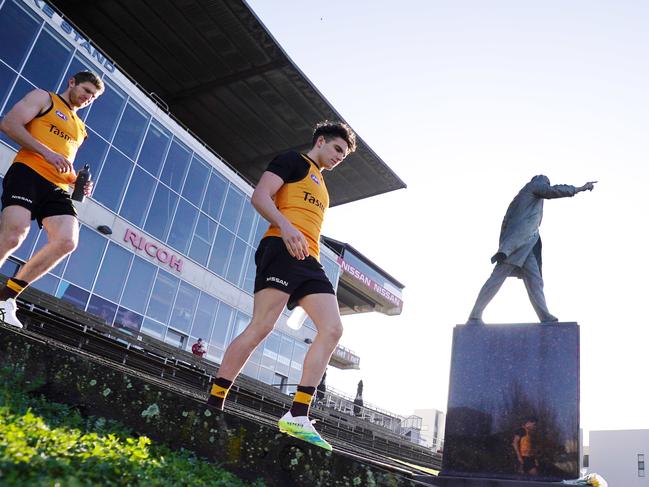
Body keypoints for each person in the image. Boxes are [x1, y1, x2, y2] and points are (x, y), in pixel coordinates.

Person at [206, 121, 356, 450]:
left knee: (332, 329)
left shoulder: (323, 189)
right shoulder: (292, 161)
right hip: (280, 247)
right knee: (261, 327)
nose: (338, 158)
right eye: (337, 150)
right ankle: (215, 401)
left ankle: (298, 415)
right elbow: (260, 197)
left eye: (343, 156)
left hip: (309, 260)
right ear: (321, 140)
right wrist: (286, 227)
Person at [0, 71, 103, 328]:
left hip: (56, 186)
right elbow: (9, 124)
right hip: (27, 173)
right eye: (86, 91)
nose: (88, 98)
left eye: (93, 97)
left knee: (67, 241)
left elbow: (63, 159)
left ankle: (6, 298)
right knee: (14, 234)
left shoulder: (81, 129)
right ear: (72, 83)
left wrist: (77, 180)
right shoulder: (43, 98)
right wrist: (46, 153)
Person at [466, 175, 596, 325]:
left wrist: (504, 244)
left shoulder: (520, 198)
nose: (546, 185)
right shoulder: (533, 187)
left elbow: (505, 223)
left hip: (526, 245)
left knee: (535, 281)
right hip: (518, 245)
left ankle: (545, 316)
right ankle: (475, 315)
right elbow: (553, 191)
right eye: (546, 183)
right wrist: (580, 188)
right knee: (496, 279)